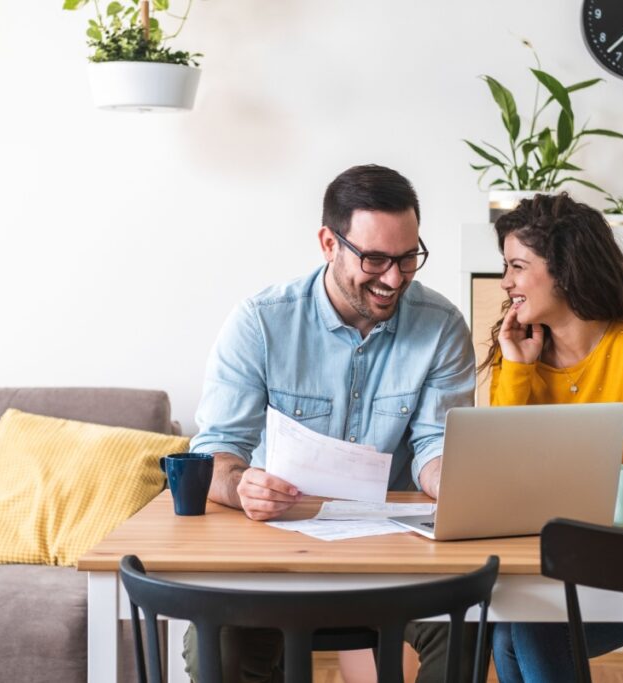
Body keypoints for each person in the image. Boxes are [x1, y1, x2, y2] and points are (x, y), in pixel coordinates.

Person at [186, 164, 479, 683]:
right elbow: (216, 455)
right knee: (219, 649)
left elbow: (436, 444)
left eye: (408, 258)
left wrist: (455, 481)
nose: (394, 279)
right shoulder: (260, 322)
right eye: (375, 259)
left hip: (399, 557)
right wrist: (241, 487)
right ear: (328, 243)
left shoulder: (442, 327)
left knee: (470, 629)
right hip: (274, 552)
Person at [482, 192, 623, 683]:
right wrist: (518, 371)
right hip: (555, 568)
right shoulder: (519, 354)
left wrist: (579, 494)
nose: (507, 283)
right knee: (508, 627)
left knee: (530, 628)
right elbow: (500, 472)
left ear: (564, 270)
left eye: (518, 266)